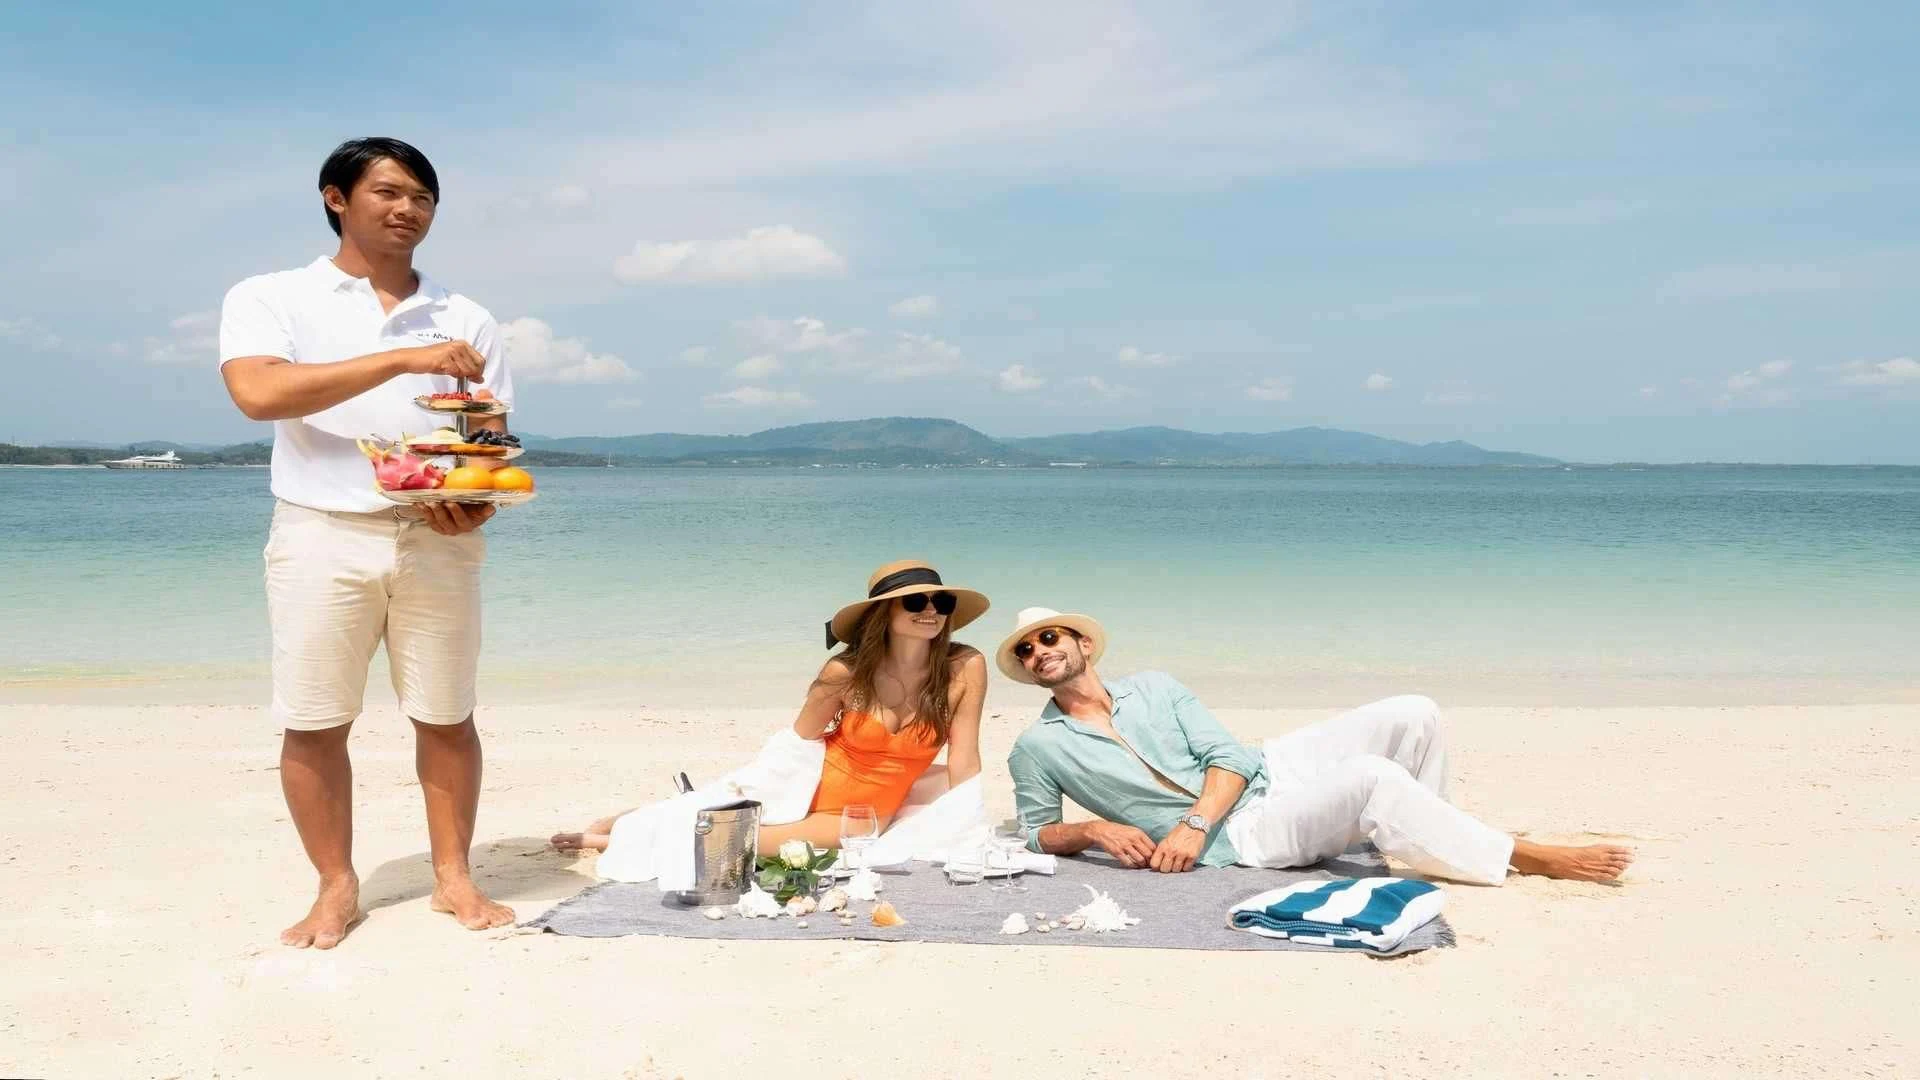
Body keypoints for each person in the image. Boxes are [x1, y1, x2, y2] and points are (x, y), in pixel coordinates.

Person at [218, 138, 518, 949]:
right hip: (321, 533)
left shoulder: (469, 317)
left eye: (422, 196)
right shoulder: (271, 296)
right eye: (387, 191)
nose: (406, 208)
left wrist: (476, 501)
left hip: (435, 539)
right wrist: (400, 359)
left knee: (447, 713)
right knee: (314, 721)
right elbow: (258, 393)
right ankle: (335, 887)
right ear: (335, 198)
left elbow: (486, 437)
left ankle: (453, 877)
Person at [999, 606, 1633, 884]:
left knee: (1413, 712)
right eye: (1026, 650)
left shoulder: (1157, 687)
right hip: (1240, 835)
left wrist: (1193, 821)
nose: (1039, 652)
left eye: (1050, 638)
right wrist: (1094, 830)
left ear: (1083, 644)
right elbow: (1033, 833)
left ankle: (1432, 833)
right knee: (1371, 776)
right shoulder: (1038, 746)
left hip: (1260, 776)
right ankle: (1527, 856)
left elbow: (1235, 759)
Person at [552, 560, 991, 856]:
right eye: (915, 602)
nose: (931, 611)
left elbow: (965, 760)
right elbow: (799, 742)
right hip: (813, 786)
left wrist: (971, 828)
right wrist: (758, 787)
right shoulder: (845, 672)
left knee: (735, 839)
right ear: (883, 614)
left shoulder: (964, 667)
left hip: (858, 815)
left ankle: (629, 828)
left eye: (941, 603)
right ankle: (620, 830)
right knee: (718, 824)